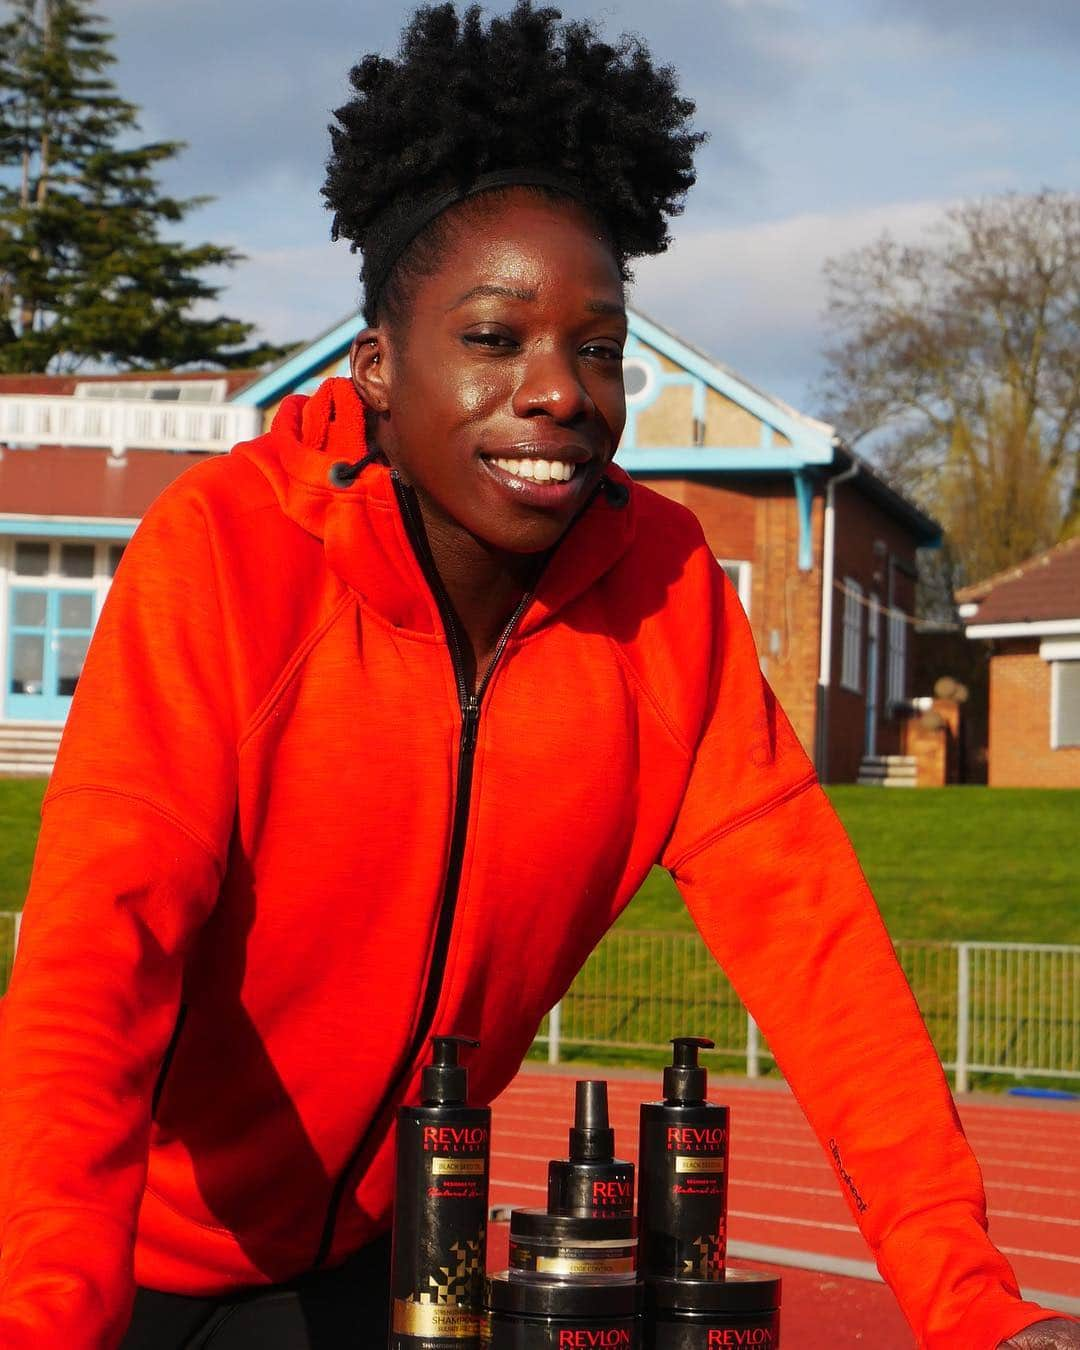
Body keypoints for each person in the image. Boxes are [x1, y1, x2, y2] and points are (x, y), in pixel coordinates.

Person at [0, 5, 1075, 1348]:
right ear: (379, 371)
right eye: (498, 338)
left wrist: (974, 1303)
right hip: (120, 1257)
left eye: (601, 347)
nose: (561, 389)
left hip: (376, 1253)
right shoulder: (227, 557)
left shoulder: (669, 595)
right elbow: (93, 967)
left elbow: (822, 956)